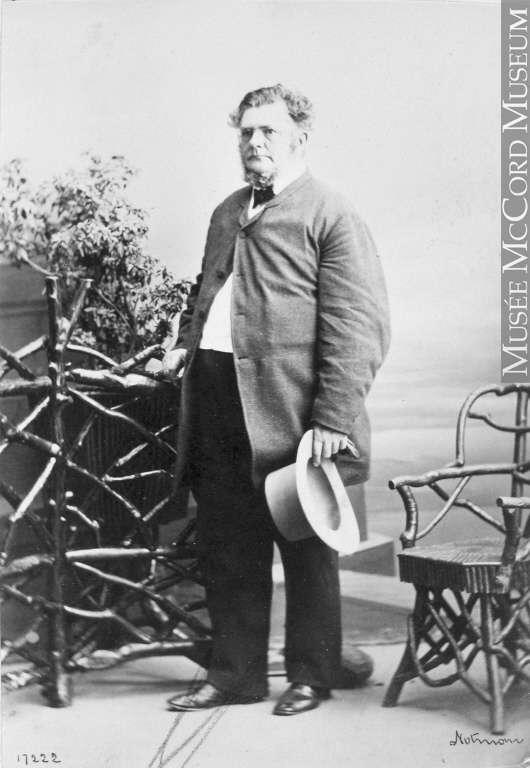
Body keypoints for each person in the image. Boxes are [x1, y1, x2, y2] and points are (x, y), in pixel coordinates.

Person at [162, 84, 390, 716]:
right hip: (216, 399)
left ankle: (312, 675)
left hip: (294, 410)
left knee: (305, 543)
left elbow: (358, 325)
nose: (255, 142)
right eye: (246, 132)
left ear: (300, 138)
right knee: (227, 543)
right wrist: (182, 346)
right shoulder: (226, 212)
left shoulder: (330, 214)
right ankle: (236, 675)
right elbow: (206, 295)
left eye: (269, 131)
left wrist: (333, 417)